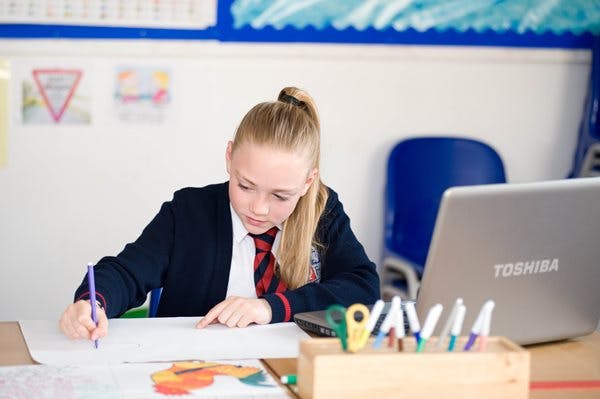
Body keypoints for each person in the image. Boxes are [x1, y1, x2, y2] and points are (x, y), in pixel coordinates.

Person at [59, 86, 380, 342]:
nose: (258, 208)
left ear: (308, 182)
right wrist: (93, 302)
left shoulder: (323, 214)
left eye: (280, 195)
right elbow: (126, 273)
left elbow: (363, 287)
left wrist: (271, 308)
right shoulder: (188, 213)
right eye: (245, 185)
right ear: (229, 158)